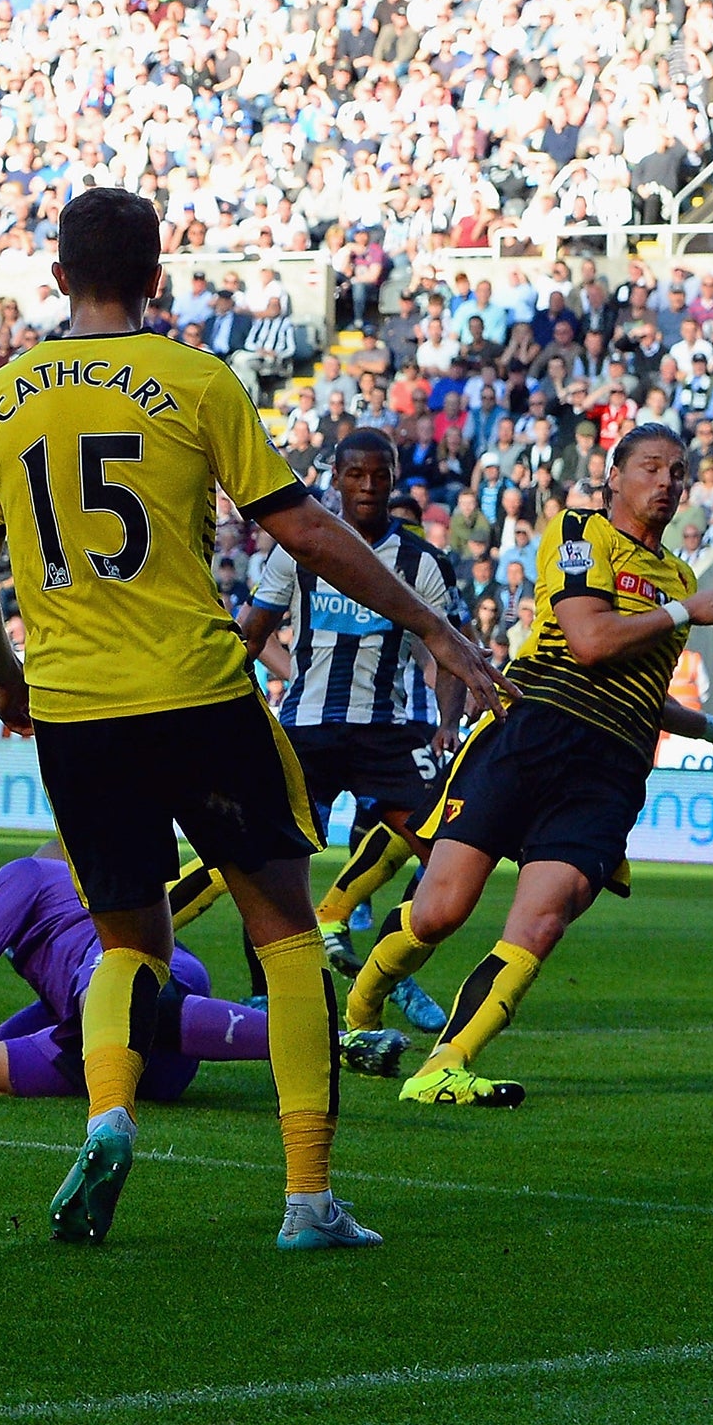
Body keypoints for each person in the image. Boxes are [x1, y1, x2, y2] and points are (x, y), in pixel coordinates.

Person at [0, 187, 504, 1251]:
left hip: (73, 708)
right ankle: (305, 1201)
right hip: (197, 693)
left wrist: (7, 685)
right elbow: (300, 529)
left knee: (127, 945)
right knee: (288, 941)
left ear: (55, 277)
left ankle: (108, 1111)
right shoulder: (194, 381)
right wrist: (434, 630)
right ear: (157, 279)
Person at [343, 424, 713, 1107]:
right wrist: (686, 612)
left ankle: (446, 1064)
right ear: (614, 476)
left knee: (542, 920)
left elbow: (638, 688)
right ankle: (357, 1015)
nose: (668, 483)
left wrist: (705, 726)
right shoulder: (582, 532)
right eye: (652, 467)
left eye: (678, 473)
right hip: (534, 736)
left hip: (610, 765)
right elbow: (588, 641)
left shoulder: (678, 576)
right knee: (438, 912)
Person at [0, 852, 409, 1099]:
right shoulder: (68, 877)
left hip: (133, 983)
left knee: (118, 995)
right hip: (158, 1064)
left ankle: (327, 1040)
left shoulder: (19, 877)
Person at [223, 430, 467, 1029]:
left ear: (393, 479)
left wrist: (448, 722)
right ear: (335, 477)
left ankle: (392, 970)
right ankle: (267, 992)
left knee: (447, 859)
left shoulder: (424, 563)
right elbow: (252, 633)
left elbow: (452, 652)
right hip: (307, 729)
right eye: (355, 474)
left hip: (390, 733)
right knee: (269, 861)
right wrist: (237, 707)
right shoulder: (295, 550)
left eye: (378, 475)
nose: (366, 486)